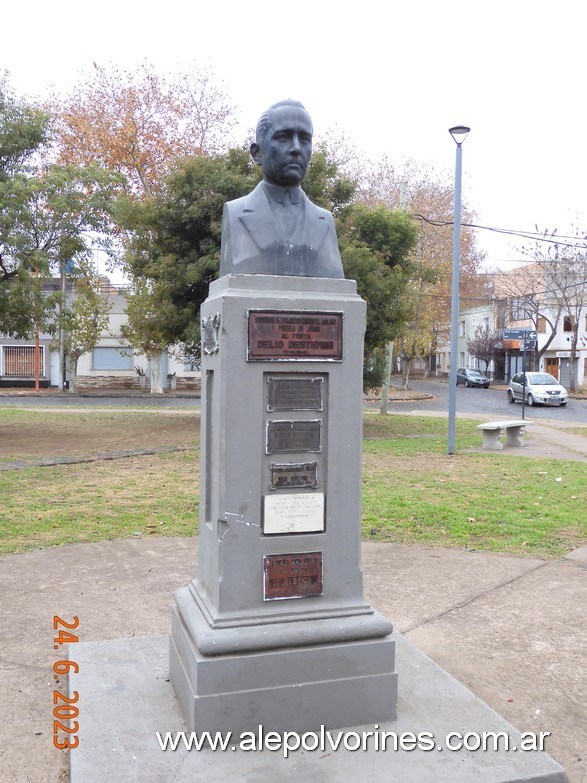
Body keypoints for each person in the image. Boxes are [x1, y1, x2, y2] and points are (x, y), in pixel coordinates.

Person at [219, 100, 344, 279]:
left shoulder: (325, 221)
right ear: (257, 153)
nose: (296, 148)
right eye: (283, 137)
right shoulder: (235, 213)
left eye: (304, 139)